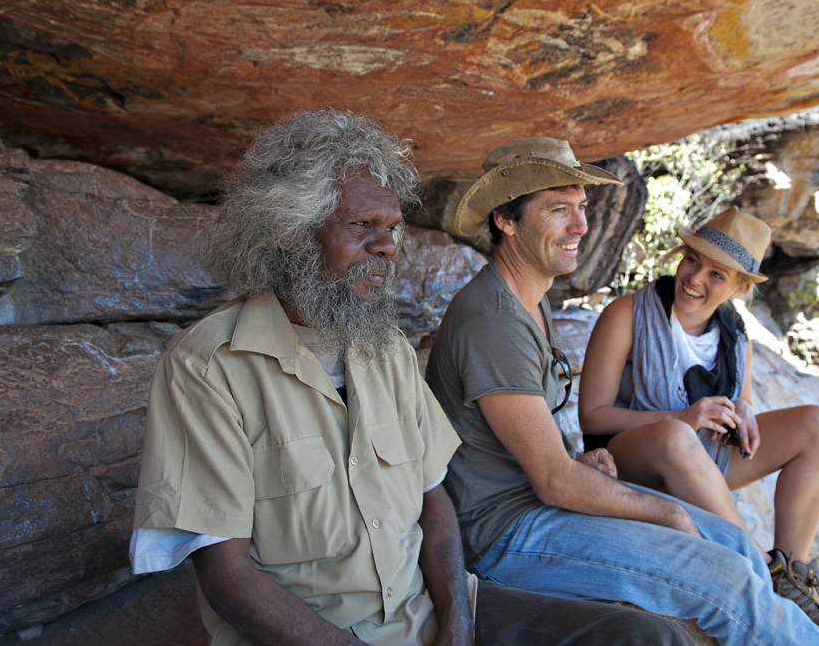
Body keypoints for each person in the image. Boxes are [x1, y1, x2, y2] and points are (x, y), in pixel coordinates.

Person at [128, 109, 694, 646]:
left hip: (430, 612)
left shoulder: (386, 350)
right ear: (290, 234)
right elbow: (226, 576)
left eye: (393, 228)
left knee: (652, 638)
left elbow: (433, 497)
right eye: (361, 226)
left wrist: (456, 618)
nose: (386, 247)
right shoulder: (208, 367)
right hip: (321, 634)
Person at [426, 137, 819, 646]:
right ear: (506, 219)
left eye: (581, 208)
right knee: (724, 579)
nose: (581, 226)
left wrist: (582, 467)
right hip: (503, 533)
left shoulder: (530, 304)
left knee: (735, 546)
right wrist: (665, 511)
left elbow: (535, 454)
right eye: (559, 209)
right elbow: (555, 482)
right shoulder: (493, 322)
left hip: (536, 504)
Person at [578, 207, 819, 638]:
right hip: (632, 457)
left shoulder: (737, 336)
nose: (695, 278)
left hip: (702, 463)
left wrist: (744, 412)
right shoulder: (627, 314)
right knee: (675, 434)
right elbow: (591, 416)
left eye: (717, 275)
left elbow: (743, 403)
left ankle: (792, 573)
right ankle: (761, 567)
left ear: (740, 287)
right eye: (692, 260)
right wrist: (681, 417)